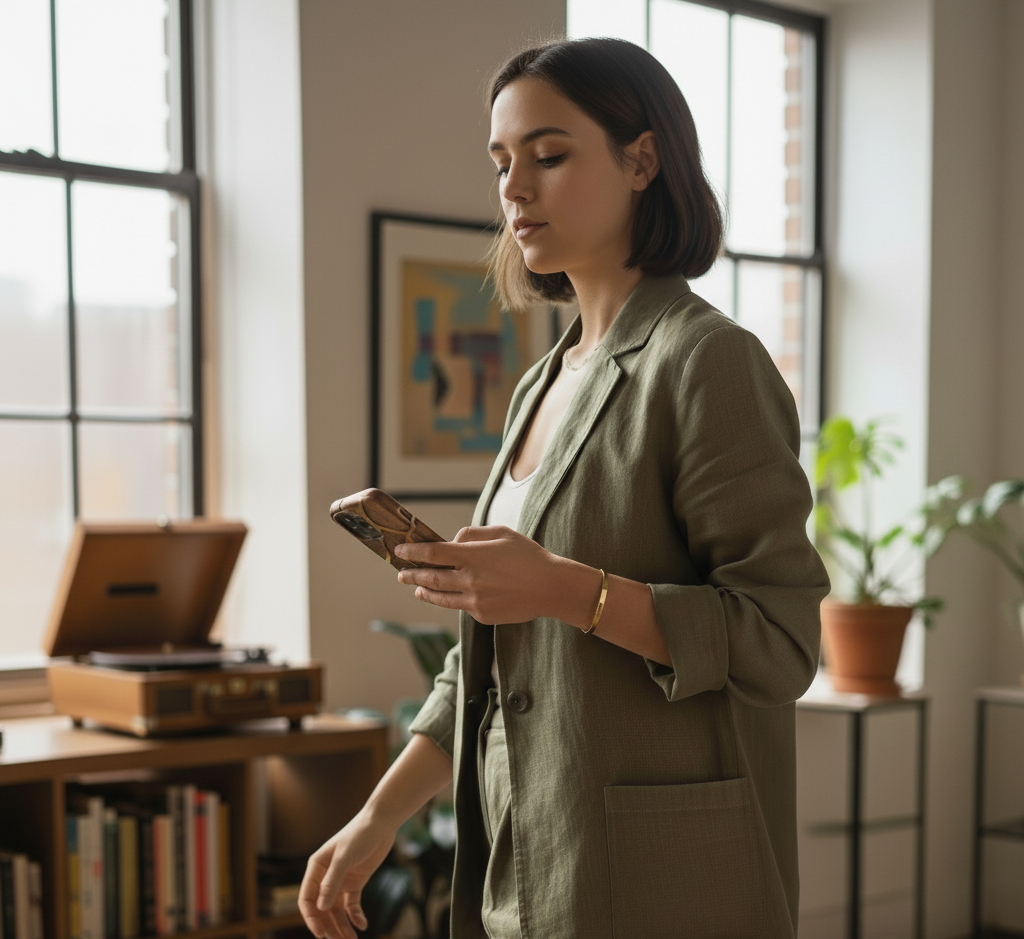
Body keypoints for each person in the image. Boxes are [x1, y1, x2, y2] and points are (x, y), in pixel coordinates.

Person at [300, 37, 829, 939]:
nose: (514, 187)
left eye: (548, 155)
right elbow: (488, 663)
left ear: (641, 160)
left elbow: (778, 639)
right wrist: (378, 815)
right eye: (503, 163)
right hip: (528, 853)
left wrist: (564, 590)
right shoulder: (539, 384)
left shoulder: (707, 361)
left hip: (663, 878)